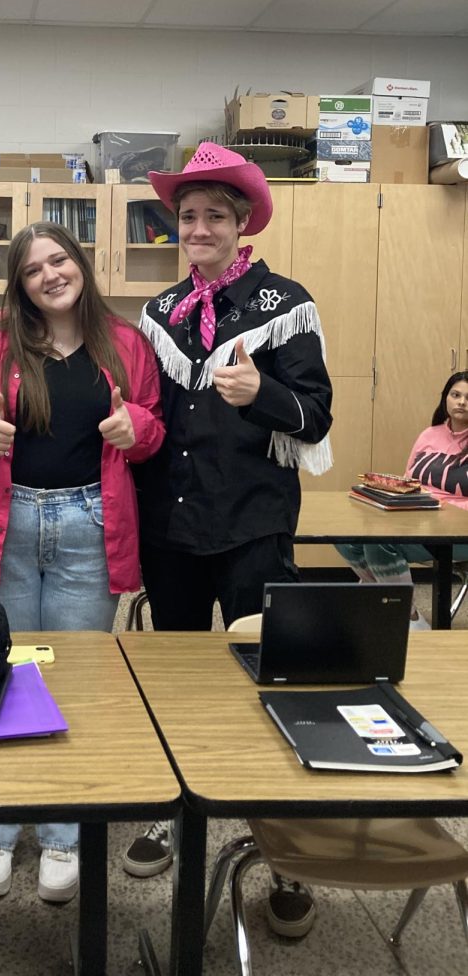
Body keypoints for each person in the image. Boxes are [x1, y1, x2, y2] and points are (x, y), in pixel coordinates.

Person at [124, 143, 333, 941]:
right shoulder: (161, 312)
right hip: (172, 528)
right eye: (187, 216)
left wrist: (264, 394)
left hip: (252, 523)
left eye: (215, 215)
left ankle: (282, 849)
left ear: (241, 223)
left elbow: (316, 418)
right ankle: (175, 815)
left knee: (262, 682)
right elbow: (146, 416)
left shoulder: (287, 302)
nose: (199, 227)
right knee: (173, 683)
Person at [0, 221, 165, 904]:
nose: (49, 275)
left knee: (73, 680)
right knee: (3, 674)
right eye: (33, 268)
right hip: (2, 527)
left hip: (87, 525)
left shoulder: (125, 343)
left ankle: (64, 831)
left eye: (59, 260)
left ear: (81, 264)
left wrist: (138, 432)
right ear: (20, 283)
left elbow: (154, 426)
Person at [337, 371, 468, 625]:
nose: (461, 402)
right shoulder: (430, 435)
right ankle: (383, 600)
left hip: (460, 531)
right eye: (456, 395)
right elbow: (409, 481)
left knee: (380, 544)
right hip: (422, 521)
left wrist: (446, 508)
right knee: (348, 537)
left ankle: (408, 617)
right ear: (445, 399)